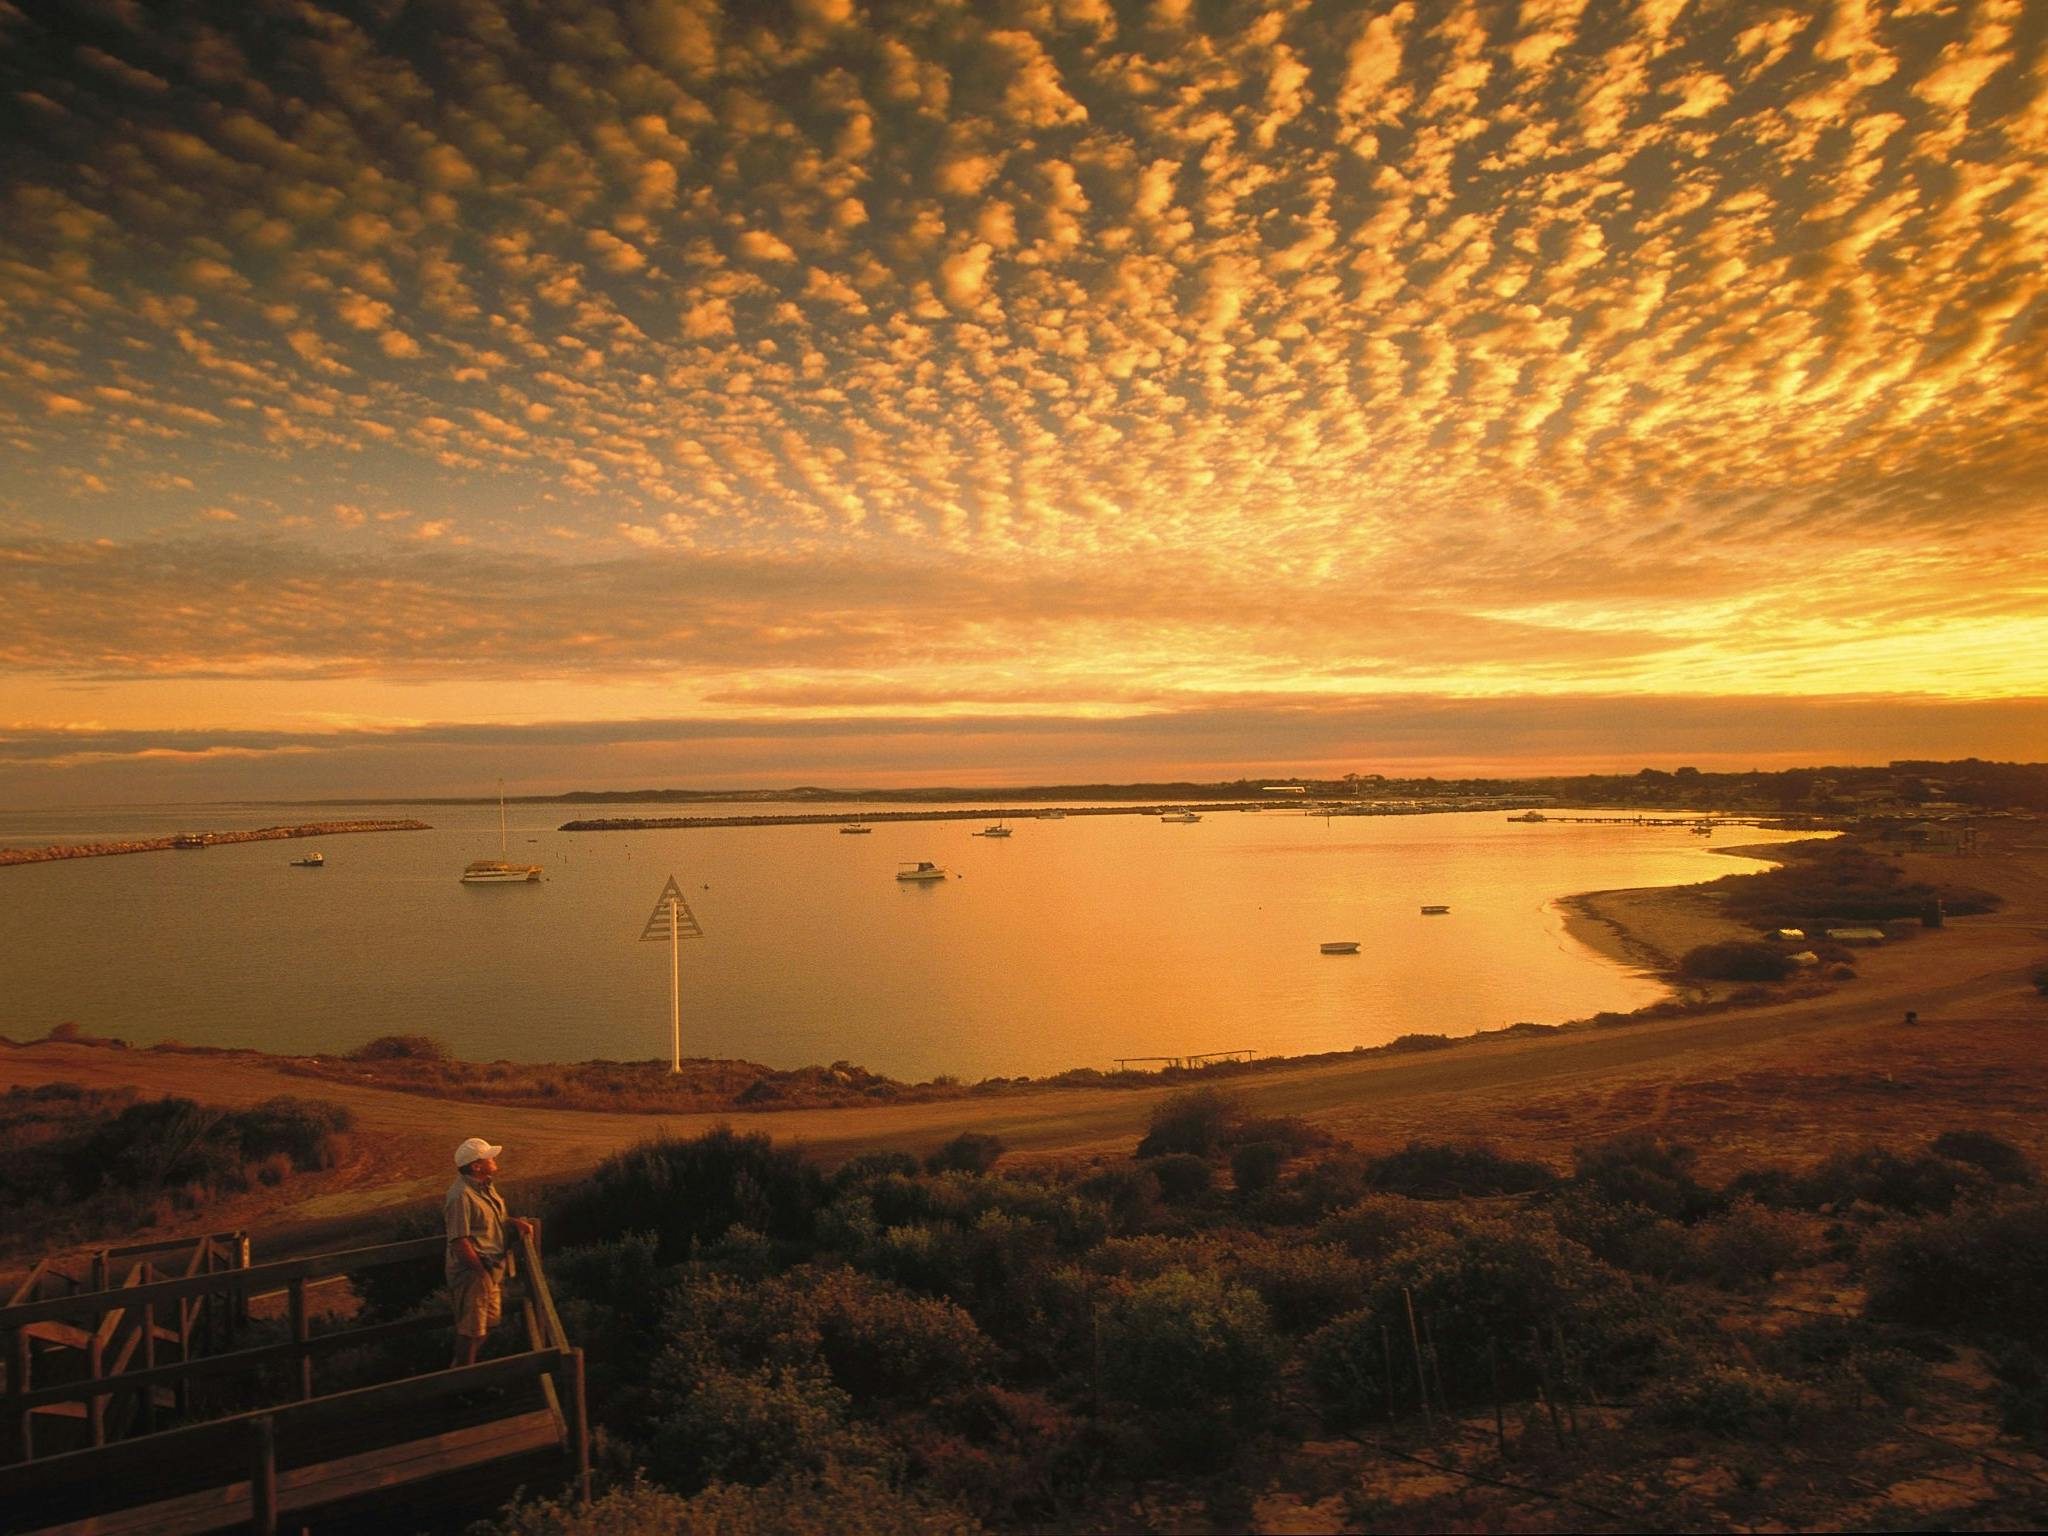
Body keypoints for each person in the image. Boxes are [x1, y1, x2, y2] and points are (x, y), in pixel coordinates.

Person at [445, 1136, 534, 1368]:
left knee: (486, 1328)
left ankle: (461, 1376)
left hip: (490, 1271)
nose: (494, 1159)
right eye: (489, 1157)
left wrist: (514, 1223)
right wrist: (481, 1274)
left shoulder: (485, 1187)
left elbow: (492, 1221)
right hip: (474, 1274)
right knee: (471, 1332)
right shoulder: (460, 1196)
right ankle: (461, 1387)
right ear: (476, 1166)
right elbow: (459, 1241)